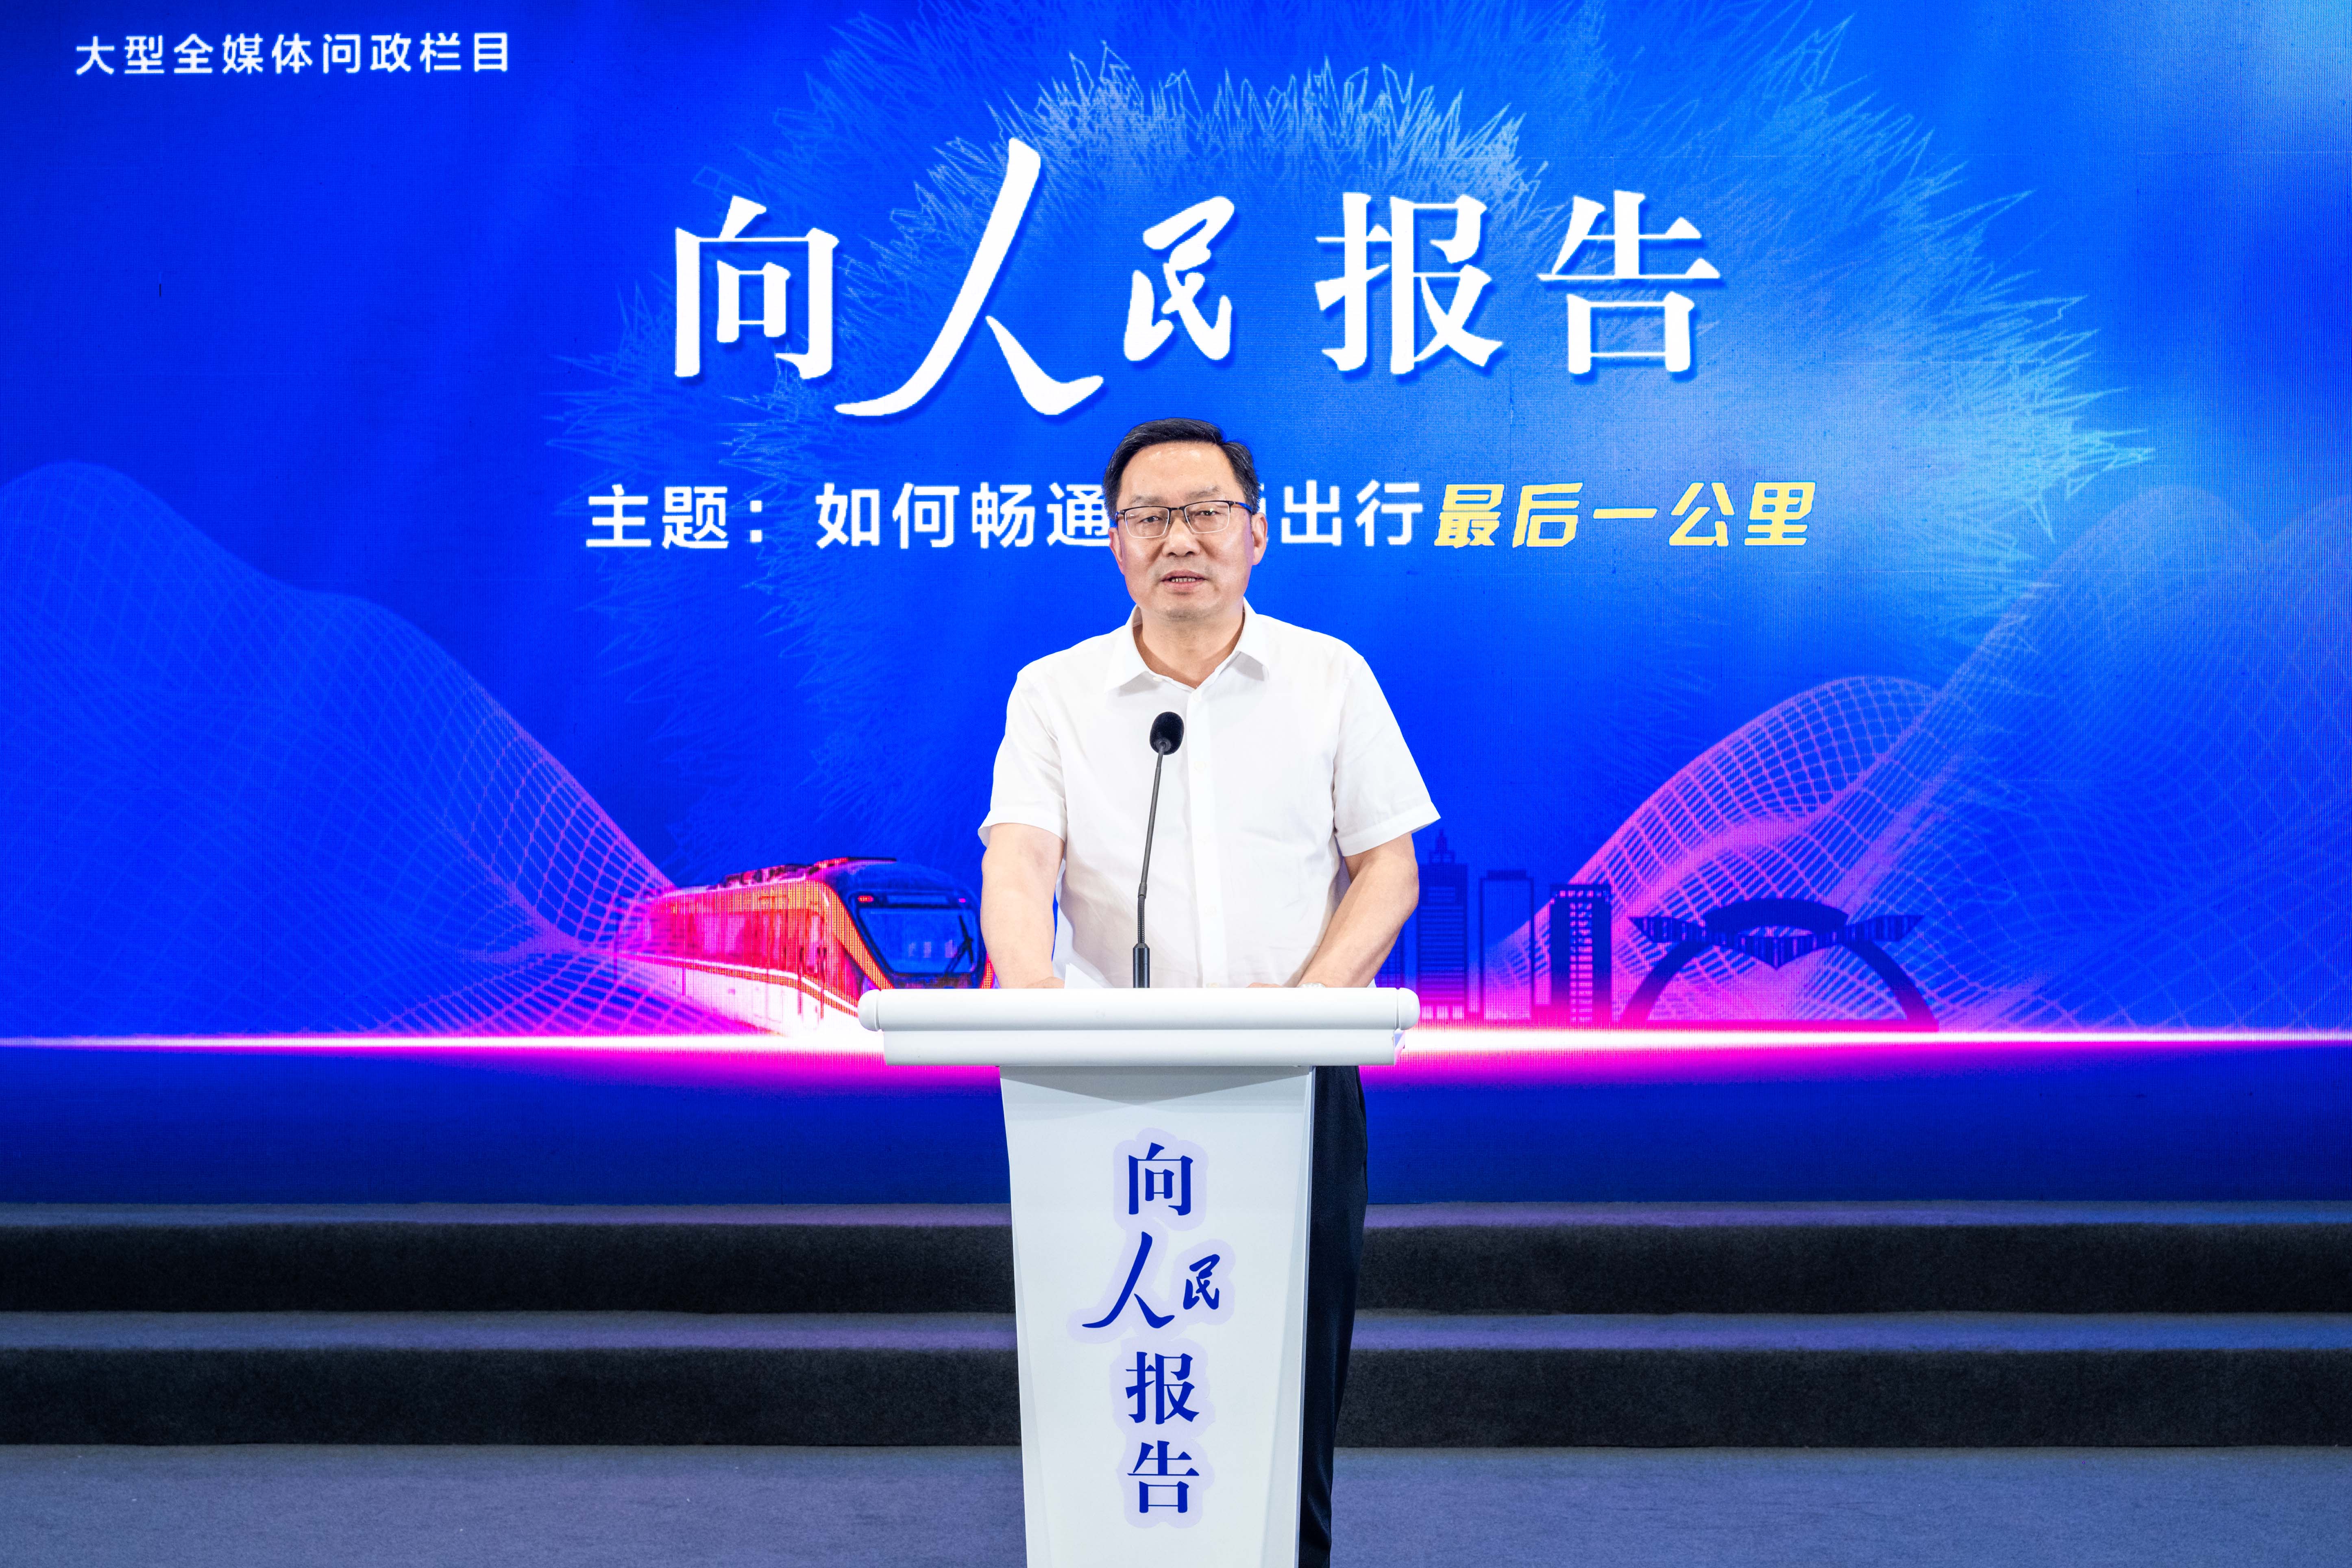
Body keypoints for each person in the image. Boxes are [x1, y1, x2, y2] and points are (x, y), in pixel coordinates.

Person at [977, 416, 1436, 1568]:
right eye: (1149, 517)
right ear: (1114, 541)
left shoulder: (1329, 678)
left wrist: (1309, 1011)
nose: (1178, 539)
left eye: (1205, 512)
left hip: (1294, 1083)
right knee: (1114, 1368)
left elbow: (1388, 867)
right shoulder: (1055, 692)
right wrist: (1030, 998)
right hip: (1099, 1092)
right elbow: (1020, 861)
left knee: (1289, 1381)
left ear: (1256, 532)